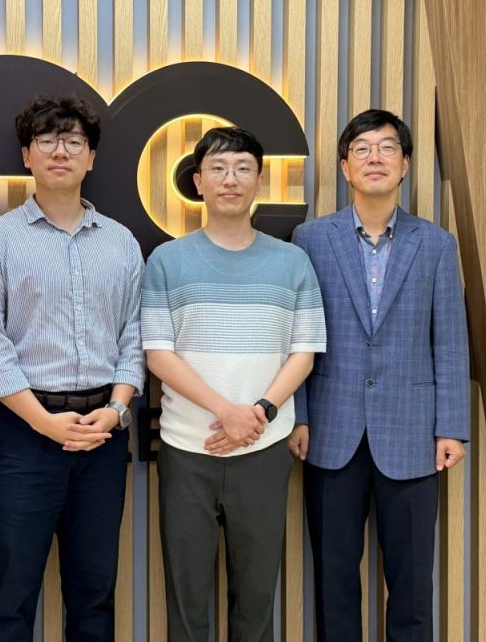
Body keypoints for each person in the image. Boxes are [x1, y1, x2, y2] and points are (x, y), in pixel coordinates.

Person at [0, 96, 144, 641]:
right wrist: (44, 422)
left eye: (74, 142)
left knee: (95, 595)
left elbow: (135, 336)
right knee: (11, 595)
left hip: (102, 436)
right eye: (47, 140)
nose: (60, 151)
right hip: (22, 437)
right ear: (27, 155)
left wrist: (116, 411)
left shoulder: (121, 242)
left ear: (91, 157)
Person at [290, 108, 470, 641]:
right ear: (345, 167)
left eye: (388, 148)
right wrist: (298, 415)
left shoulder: (435, 244)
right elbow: (298, 337)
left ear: (405, 164)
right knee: (334, 581)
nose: (375, 158)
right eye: (362, 149)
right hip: (330, 432)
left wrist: (451, 427)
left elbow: (450, 341)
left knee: (412, 586)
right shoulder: (311, 239)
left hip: (413, 434)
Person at [141, 126, 326, 642]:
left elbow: (304, 352)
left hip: (264, 450)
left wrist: (259, 413)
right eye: (218, 169)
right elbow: (158, 355)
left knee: (257, 595)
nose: (231, 179)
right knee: (186, 597)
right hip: (187, 449)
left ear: (259, 182)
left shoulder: (292, 262)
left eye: (243, 168)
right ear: (197, 182)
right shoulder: (167, 260)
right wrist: (227, 412)